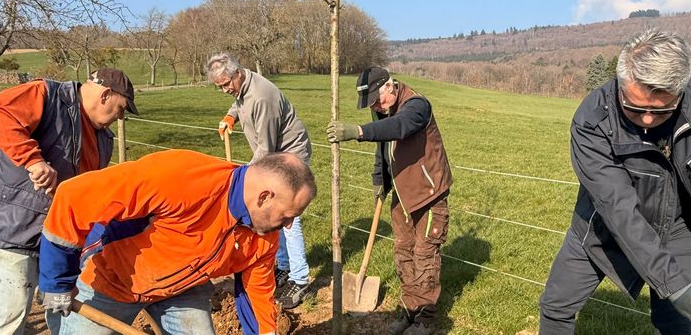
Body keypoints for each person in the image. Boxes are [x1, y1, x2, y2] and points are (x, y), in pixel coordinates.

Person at [538, 29, 691, 335]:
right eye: (634, 107)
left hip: (682, 226)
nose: (645, 119)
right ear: (620, 83)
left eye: (661, 110)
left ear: (682, 90)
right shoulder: (592, 122)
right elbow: (619, 212)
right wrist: (677, 287)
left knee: (676, 324)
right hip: (604, 228)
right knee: (556, 306)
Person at [38, 150, 316, 335]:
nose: (289, 225)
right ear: (264, 197)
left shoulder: (264, 235)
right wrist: (56, 284)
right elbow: (73, 197)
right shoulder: (181, 178)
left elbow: (257, 294)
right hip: (108, 282)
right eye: (288, 215)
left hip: (181, 289)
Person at [0, 68, 136, 335]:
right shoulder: (47, 96)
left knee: (59, 304)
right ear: (106, 95)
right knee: (9, 313)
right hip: (8, 226)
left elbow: (86, 196)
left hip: (53, 239)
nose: (120, 117)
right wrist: (33, 160)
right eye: (121, 108)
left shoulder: (103, 139)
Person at [326, 66, 453, 335]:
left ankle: (426, 320)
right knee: (404, 253)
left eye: (377, 99)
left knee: (424, 256)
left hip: (428, 194)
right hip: (402, 194)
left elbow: (399, 127)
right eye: (371, 103)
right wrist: (378, 179)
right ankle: (409, 312)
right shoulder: (384, 108)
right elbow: (382, 148)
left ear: (390, 86)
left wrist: (357, 131)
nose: (377, 106)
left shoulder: (417, 106)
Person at [208, 53, 314, 309]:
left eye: (225, 85)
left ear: (237, 73)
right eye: (219, 87)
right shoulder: (244, 86)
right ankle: (284, 267)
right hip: (274, 156)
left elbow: (265, 151)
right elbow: (239, 99)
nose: (224, 91)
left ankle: (301, 279)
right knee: (270, 214)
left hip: (289, 159)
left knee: (288, 217)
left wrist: (240, 178)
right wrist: (231, 115)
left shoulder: (262, 98)